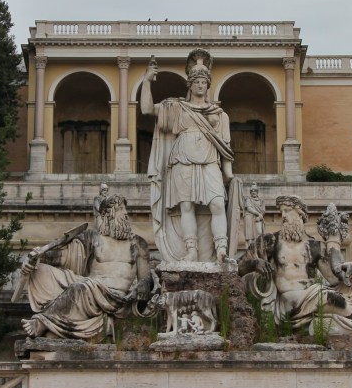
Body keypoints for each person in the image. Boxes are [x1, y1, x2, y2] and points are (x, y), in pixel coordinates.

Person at [240, 195, 352, 338]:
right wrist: (255, 263)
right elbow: (239, 268)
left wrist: (345, 269)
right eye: (282, 212)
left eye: (287, 211)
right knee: (333, 299)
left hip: (311, 295)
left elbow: (334, 278)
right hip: (287, 302)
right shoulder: (269, 241)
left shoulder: (314, 246)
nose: (284, 216)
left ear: (301, 215)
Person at [142, 49, 234, 263]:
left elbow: (225, 146)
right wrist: (147, 81)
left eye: (204, 82)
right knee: (186, 206)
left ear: (208, 85)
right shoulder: (177, 108)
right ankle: (191, 250)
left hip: (210, 159)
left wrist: (227, 171)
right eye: (197, 82)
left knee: (218, 204)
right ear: (190, 85)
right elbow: (147, 109)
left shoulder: (219, 115)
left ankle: (221, 249)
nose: (201, 85)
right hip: (182, 159)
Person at [21, 194, 153, 340]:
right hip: (92, 287)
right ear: (107, 215)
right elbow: (62, 257)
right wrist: (34, 259)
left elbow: (145, 280)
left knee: (81, 287)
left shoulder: (139, 244)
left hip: (117, 298)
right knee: (41, 271)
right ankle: (54, 324)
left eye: (125, 209)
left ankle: (41, 323)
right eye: (120, 209)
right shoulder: (92, 238)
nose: (126, 214)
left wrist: (141, 287)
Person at [242, 183, 266, 249]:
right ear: (250, 192)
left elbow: (263, 210)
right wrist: (258, 214)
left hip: (258, 219)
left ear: (257, 192)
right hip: (249, 217)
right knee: (250, 235)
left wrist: (260, 216)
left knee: (259, 233)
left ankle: (259, 248)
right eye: (252, 191)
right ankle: (250, 248)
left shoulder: (261, 200)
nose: (253, 192)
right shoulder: (248, 199)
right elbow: (249, 208)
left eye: (255, 191)